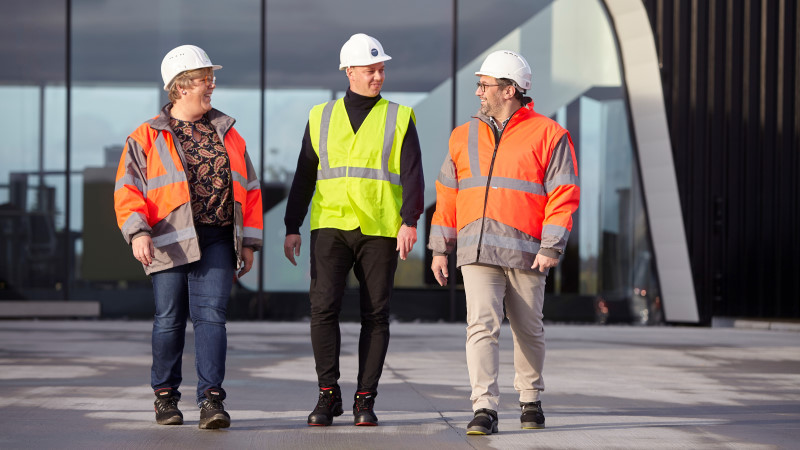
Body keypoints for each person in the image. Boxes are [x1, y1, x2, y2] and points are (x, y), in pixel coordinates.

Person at [428, 50, 579, 435]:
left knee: (528, 329)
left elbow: (563, 194)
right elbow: (447, 195)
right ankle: (484, 407)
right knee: (481, 326)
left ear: (509, 90)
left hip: (527, 252)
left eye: (485, 85)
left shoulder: (550, 134)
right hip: (477, 250)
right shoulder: (462, 136)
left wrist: (551, 246)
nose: (479, 91)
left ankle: (530, 399)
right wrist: (440, 248)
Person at [114, 44, 263, 429]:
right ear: (180, 86)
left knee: (212, 317)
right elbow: (128, 189)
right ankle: (165, 397)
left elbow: (251, 189)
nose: (211, 84)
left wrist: (249, 242)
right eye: (203, 79)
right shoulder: (146, 136)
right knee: (169, 319)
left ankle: (212, 400)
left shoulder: (230, 133)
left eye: (211, 78)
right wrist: (138, 233)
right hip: (168, 239)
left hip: (217, 239)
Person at [283, 33, 424, 427]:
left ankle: (365, 398)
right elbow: (304, 173)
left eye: (381, 69)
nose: (378, 76)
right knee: (322, 310)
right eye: (370, 70)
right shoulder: (320, 116)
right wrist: (292, 224)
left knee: (376, 315)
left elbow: (413, 173)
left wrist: (410, 221)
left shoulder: (399, 116)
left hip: (380, 226)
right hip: (330, 224)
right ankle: (328, 394)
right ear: (349, 72)